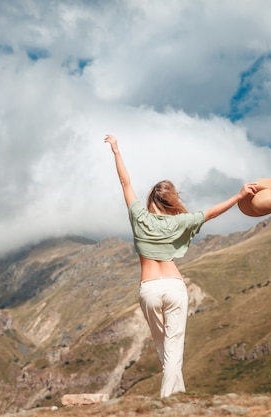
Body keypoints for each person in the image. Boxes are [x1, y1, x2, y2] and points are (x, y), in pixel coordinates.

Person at [104, 134, 256, 398]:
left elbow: (125, 181)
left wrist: (116, 150)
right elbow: (213, 213)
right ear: (171, 200)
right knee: (173, 346)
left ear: (151, 199)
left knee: (163, 345)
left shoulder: (139, 217)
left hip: (149, 288)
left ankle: (175, 396)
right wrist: (239, 195)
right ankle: (170, 399)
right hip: (174, 287)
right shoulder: (182, 222)